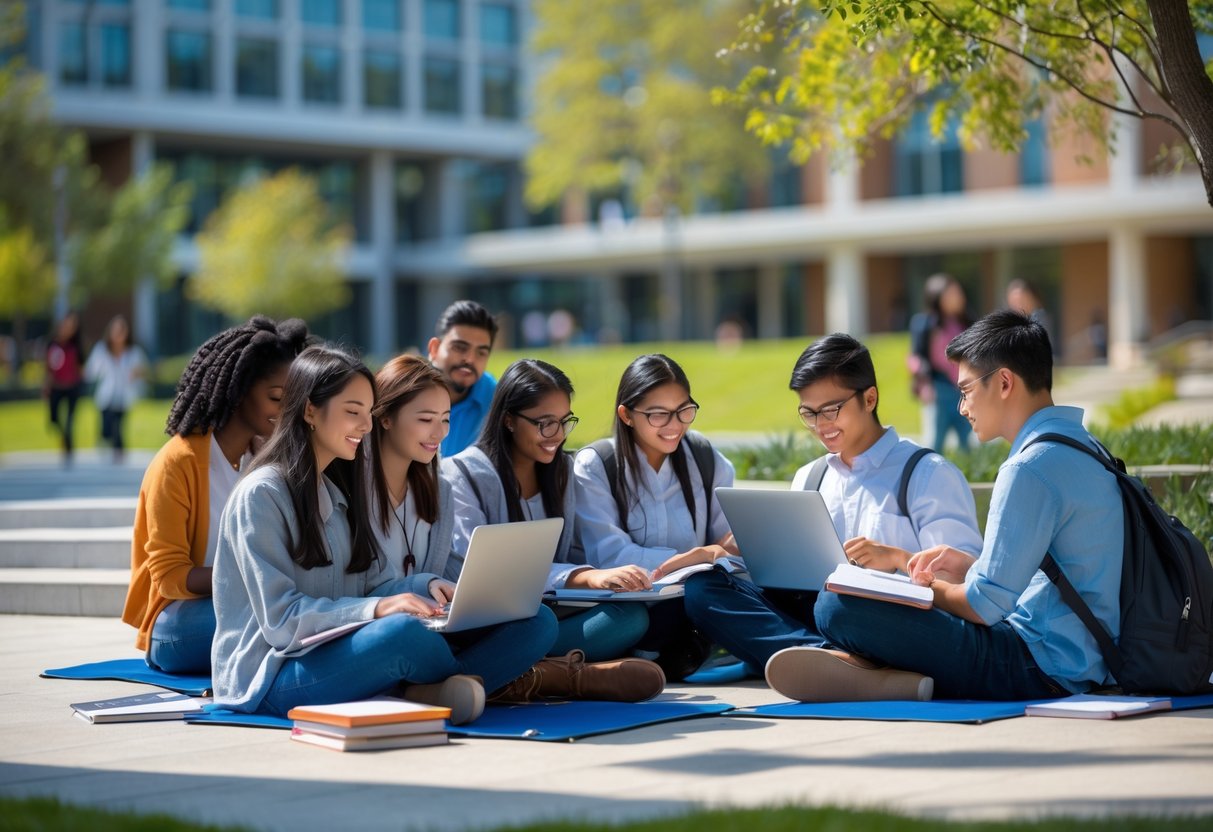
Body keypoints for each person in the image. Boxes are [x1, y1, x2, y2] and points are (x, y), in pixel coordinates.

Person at [771, 311, 1122, 702]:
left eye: (966, 390)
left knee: (836, 605)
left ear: (1004, 382)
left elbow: (983, 606)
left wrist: (919, 585)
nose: (962, 407)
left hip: (1035, 664)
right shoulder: (1084, 447)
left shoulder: (1028, 468)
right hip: (1077, 658)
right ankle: (876, 672)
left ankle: (871, 670)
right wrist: (969, 567)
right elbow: (1034, 579)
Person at [211, 345, 557, 724]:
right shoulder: (261, 495)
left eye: (368, 412)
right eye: (353, 412)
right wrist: (376, 609)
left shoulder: (338, 492)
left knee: (536, 621)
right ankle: (453, 684)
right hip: (274, 673)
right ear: (310, 411)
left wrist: (426, 586)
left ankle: (429, 690)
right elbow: (281, 622)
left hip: (344, 650)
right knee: (402, 634)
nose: (366, 425)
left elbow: (372, 586)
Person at [682, 334, 982, 689]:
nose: (821, 425)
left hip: (884, 620)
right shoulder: (810, 477)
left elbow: (964, 581)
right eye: (809, 413)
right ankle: (831, 658)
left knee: (836, 604)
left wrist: (897, 559)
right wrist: (736, 554)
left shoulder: (927, 473)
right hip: (819, 614)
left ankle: (823, 661)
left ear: (869, 398)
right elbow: (790, 577)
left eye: (830, 410)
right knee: (703, 589)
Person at [443, 358, 665, 699]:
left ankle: (530, 673)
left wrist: (607, 577)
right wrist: (584, 577)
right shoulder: (462, 474)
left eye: (564, 422)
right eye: (545, 423)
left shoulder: (561, 471)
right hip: (486, 623)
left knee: (630, 617)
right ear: (508, 420)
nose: (558, 435)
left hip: (546, 613)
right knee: (538, 627)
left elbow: (573, 550)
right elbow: (478, 568)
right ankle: (554, 675)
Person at [122, 316, 310, 673]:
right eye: (276, 398)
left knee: (295, 615)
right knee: (278, 619)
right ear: (238, 391)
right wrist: (255, 576)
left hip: (254, 602)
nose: (287, 412)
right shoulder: (178, 463)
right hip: (175, 622)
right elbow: (170, 577)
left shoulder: (267, 461)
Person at [574, 354, 738, 680]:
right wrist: (693, 559)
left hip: (693, 602)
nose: (675, 425)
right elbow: (611, 556)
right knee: (629, 622)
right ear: (626, 415)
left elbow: (728, 546)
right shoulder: (598, 465)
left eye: (683, 410)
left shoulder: (704, 458)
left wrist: (722, 550)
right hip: (626, 607)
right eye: (658, 415)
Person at [429, 300, 498, 457]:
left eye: (481, 352)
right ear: (434, 349)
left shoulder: (496, 401)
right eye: (459, 347)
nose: (470, 359)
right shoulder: (405, 394)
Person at [911, 274, 972, 452]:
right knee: (935, 442)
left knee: (968, 442)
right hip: (939, 389)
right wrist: (924, 384)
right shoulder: (924, 323)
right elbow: (916, 356)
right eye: (951, 293)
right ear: (938, 297)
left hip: (964, 390)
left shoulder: (966, 321)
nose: (958, 297)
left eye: (958, 292)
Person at [84, 315, 147, 463]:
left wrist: (136, 375)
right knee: (106, 428)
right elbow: (91, 371)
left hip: (123, 395)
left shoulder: (133, 352)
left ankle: (119, 458)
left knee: (118, 427)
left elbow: (142, 370)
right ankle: (107, 443)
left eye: (121, 331)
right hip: (107, 395)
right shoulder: (102, 350)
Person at [44, 312, 85, 465]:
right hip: (56, 387)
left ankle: (69, 451)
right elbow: (47, 367)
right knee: (53, 419)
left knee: (69, 422)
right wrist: (46, 385)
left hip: (72, 387)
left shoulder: (76, 346)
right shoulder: (52, 344)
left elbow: (81, 367)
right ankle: (63, 439)